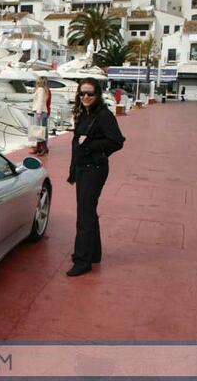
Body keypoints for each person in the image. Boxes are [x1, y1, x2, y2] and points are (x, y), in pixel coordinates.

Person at [66, 78, 125, 277]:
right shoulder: (84, 114)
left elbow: (117, 141)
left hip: (95, 169)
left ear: (97, 95)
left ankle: (83, 261)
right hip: (83, 169)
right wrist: (73, 169)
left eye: (90, 93)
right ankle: (94, 254)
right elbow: (77, 144)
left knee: (84, 215)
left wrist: (91, 145)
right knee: (88, 211)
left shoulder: (103, 116)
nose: (85, 97)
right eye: (82, 93)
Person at [29, 77, 49, 155]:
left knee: (40, 131)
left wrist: (38, 112)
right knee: (38, 130)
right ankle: (39, 148)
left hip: (40, 112)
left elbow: (40, 101)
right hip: (41, 111)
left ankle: (43, 148)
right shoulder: (43, 89)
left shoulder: (40, 89)